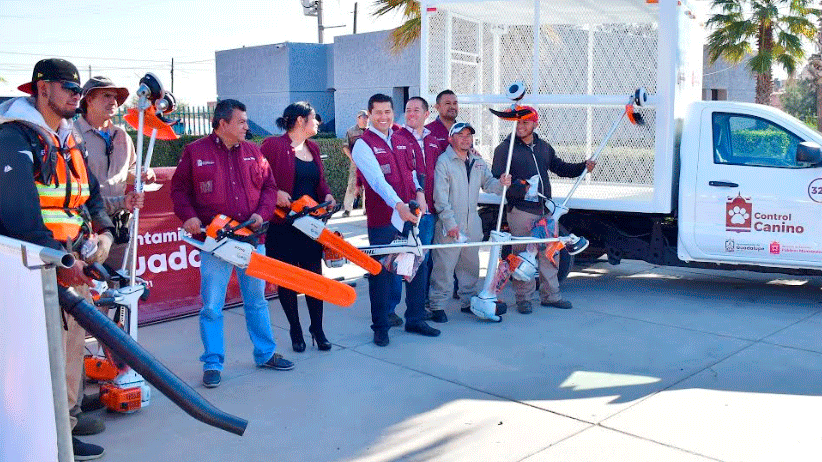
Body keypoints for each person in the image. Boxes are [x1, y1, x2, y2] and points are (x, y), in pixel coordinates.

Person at [0, 58, 114, 460]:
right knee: (44, 355)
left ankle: (67, 417)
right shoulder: (13, 137)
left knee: (70, 348)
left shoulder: (68, 135)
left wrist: (103, 232)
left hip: (70, 263)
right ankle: (52, 436)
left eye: (79, 91)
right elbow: (19, 215)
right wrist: (63, 262)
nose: (76, 97)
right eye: (68, 88)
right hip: (35, 269)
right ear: (41, 88)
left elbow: (91, 192)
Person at [170, 99, 293, 389]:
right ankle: (213, 363)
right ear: (222, 123)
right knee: (212, 306)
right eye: (241, 121)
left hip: (251, 240)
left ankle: (265, 353)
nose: (247, 127)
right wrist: (188, 216)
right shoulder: (194, 152)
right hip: (215, 244)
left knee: (257, 301)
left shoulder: (254, 152)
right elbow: (179, 190)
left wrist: (260, 215)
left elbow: (269, 188)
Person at [352, 93, 441, 346]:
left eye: (387, 112)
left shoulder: (402, 139)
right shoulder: (363, 144)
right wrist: (398, 205)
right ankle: (380, 326)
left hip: (410, 215)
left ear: (393, 113)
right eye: (378, 112)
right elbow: (378, 182)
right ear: (369, 115)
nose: (383, 117)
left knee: (416, 266)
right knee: (382, 272)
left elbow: (412, 172)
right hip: (384, 219)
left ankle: (415, 319)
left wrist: (420, 193)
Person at [491, 106, 595, 314]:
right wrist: (520, 188)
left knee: (549, 255)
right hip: (521, 210)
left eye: (525, 123)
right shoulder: (505, 149)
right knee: (522, 256)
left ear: (535, 124)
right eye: (518, 123)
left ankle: (551, 296)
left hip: (545, 211)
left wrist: (583, 167)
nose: (521, 126)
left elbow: (560, 168)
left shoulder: (543, 147)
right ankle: (523, 298)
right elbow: (497, 180)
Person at [260, 102, 335, 353]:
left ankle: (318, 328)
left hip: (310, 226)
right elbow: (257, 177)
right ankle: (295, 329)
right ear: (300, 121)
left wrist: (327, 196)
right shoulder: (273, 146)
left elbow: (319, 183)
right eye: (314, 118)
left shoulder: (312, 147)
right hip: (282, 227)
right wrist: (275, 192)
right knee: (288, 280)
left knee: (315, 278)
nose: (318, 123)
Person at [430, 122, 511, 320]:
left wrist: (501, 183)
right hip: (450, 224)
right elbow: (440, 199)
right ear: (451, 139)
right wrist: (450, 224)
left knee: (470, 265)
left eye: (469, 135)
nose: (466, 138)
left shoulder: (478, 161)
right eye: (461, 135)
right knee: (444, 267)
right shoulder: (444, 162)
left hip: (472, 223)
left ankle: (467, 301)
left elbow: (489, 184)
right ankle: (437, 306)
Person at [74, 76, 154, 270]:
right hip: (87, 227)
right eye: (106, 96)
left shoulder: (122, 136)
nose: (113, 101)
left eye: (116, 97)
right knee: (90, 288)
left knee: (121, 285)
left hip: (121, 225)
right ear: (89, 100)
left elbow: (127, 170)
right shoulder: (71, 136)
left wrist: (143, 174)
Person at [395, 96, 443, 321]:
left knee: (424, 260)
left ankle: (420, 304)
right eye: (407, 109)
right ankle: (392, 309)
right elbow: (405, 172)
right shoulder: (397, 138)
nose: (411, 113)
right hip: (409, 212)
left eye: (416, 110)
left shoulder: (434, 141)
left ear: (426, 114)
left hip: (430, 212)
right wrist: (417, 195)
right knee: (404, 260)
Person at [341, 110, 368, 217]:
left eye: (367, 117)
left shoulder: (372, 131)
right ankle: (347, 209)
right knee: (352, 184)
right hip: (355, 163)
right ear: (358, 118)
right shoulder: (351, 131)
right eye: (363, 117)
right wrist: (351, 158)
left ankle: (367, 209)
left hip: (368, 164)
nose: (366, 119)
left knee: (367, 186)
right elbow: (345, 146)